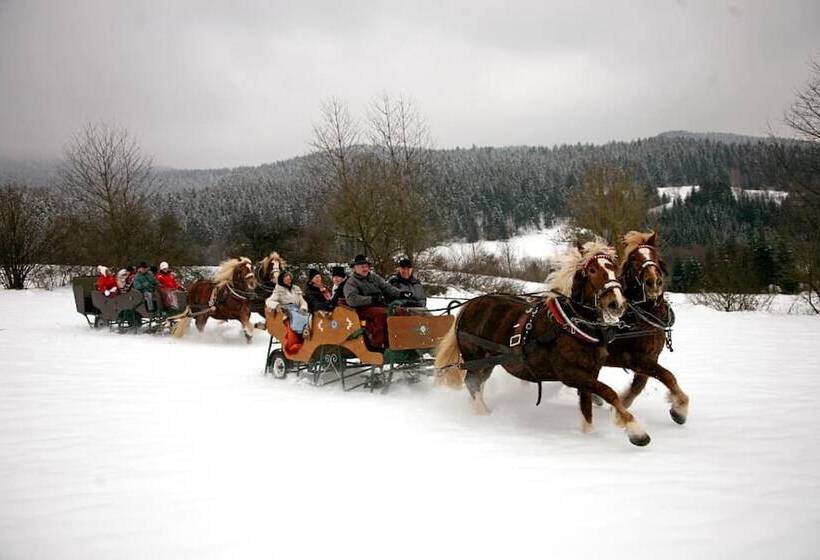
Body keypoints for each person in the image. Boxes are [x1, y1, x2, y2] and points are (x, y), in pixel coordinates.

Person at [343, 254, 402, 350]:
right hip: (363, 309)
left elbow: (387, 287)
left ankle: (402, 340)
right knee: (382, 314)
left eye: (366, 266)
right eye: (362, 267)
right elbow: (352, 299)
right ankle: (380, 344)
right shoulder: (351, 282)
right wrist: (371, 299)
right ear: (355, 268)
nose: (365, 269)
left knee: (399, 311)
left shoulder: (374, 277)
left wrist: (400, 294)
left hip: (380, 305)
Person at [265, 270, 310, 338]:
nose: (288, 281)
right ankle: (302, 331)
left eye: (289, 279)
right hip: (286, 310)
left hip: (298, 308)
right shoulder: (278, 289)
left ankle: (307, 330)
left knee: (309, 316)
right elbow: (269, 301)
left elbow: (302, 301)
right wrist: (277, 305)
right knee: (296, 315)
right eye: (286, 280)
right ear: (282, 281)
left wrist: (303, 308)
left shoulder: (296, 288)